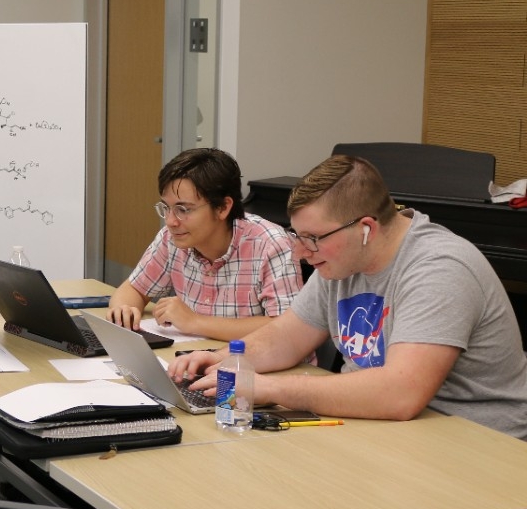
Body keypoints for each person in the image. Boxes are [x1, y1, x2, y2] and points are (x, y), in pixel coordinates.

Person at [170, 155, 527, 440]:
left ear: (367, 229)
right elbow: (285, 337)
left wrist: (268, 388)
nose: (299, 251)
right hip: (392, 430)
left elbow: (400, 394)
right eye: (297, 234)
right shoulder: (341, 258)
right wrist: (222, 361)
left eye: (312, 237)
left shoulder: (440, 268)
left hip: (476, 442)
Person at [107, 148, 304, 341]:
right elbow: (133, 289)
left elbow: (287, 328)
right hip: (196, 359)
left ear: (223, 207)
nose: (170, 221)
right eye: (166, 208)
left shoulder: (272, 245)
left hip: (258, 367)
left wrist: (195, 322)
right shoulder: (171, 239)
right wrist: (124, 310)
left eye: (183, 209)